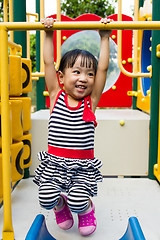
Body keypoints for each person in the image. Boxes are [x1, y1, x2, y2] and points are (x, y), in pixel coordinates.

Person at [33, 17, 112, 236]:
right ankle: (61, 206)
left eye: (89, 74)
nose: (83, 78)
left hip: (82, 167)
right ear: (61, 77)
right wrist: (48, 33)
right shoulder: (55, 95)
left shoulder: (91, 101)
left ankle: (86, 210)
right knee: (45, 197)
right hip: (55, 164)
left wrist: (104, 37)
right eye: (76, 72)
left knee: (78, 200)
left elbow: (103, 68)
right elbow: (49, 63)